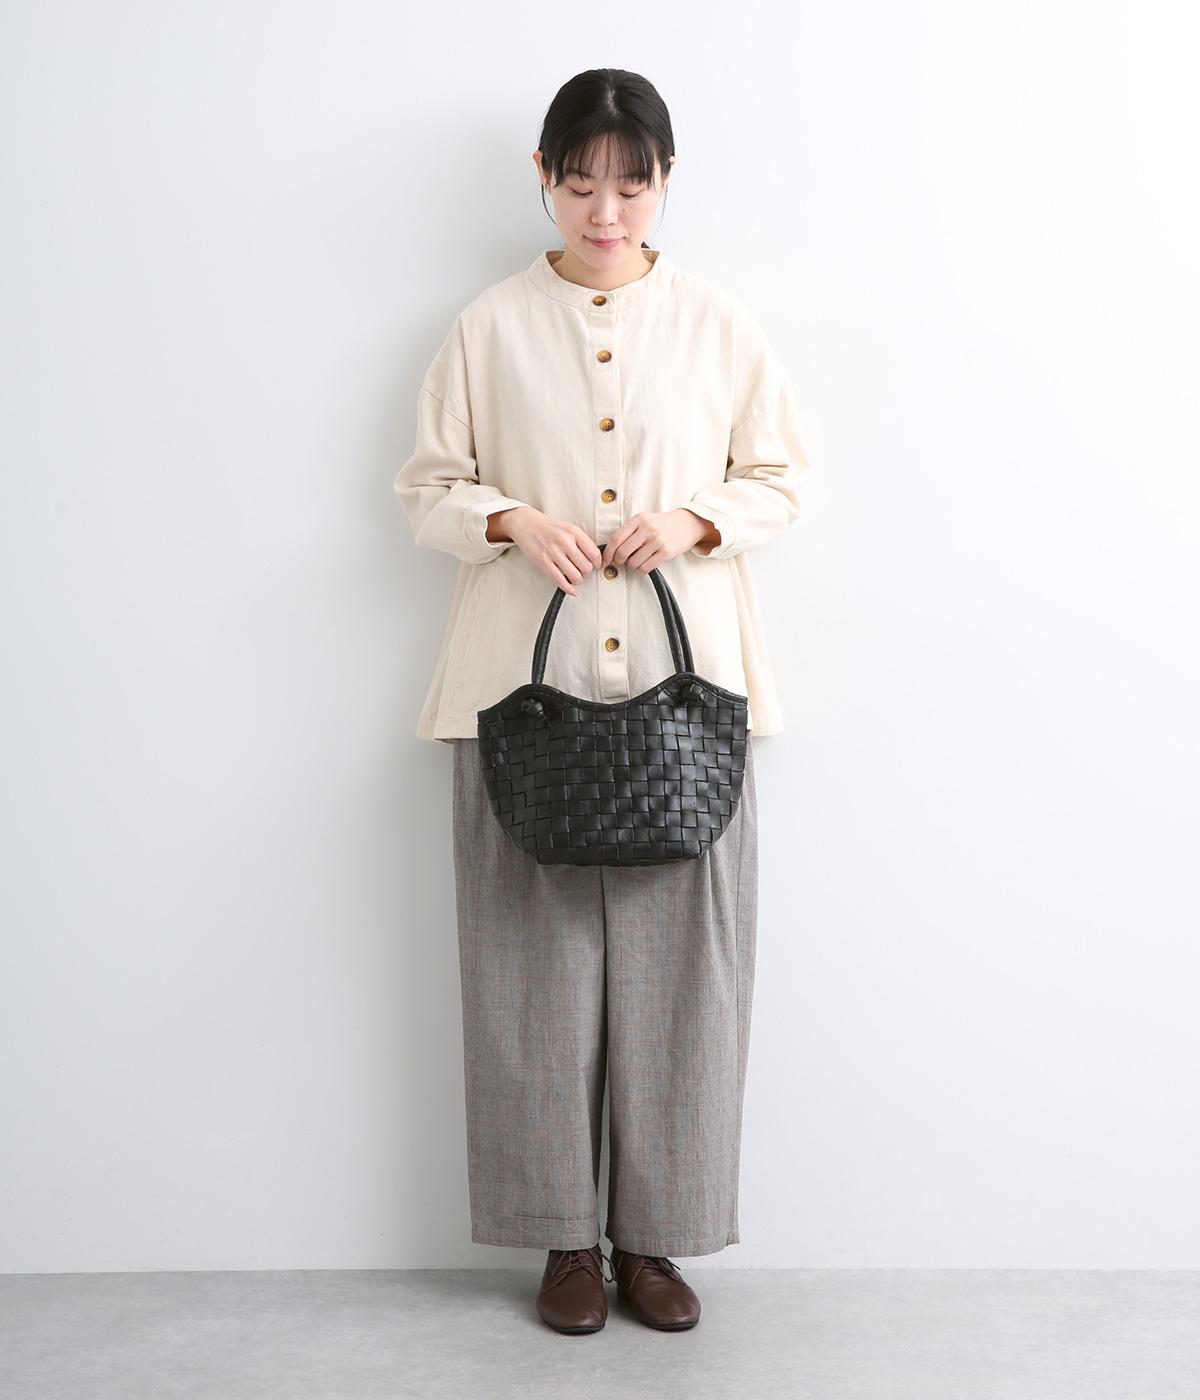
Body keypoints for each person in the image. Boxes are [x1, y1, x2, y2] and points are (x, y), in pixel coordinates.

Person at [393, 68, 812, 1334]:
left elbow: (782, 478)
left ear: (666, 182)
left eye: (632, 185)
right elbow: (427, 486)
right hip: (522, 699)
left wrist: (694, 519)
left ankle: (656, 1242)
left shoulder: (720, 325)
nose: (607, 211)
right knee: (530, 979)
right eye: (581, 183)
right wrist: (509, 518)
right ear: (544, 176)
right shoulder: (486, 327)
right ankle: (565, 1242)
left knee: (689, 987)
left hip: (693, 713)